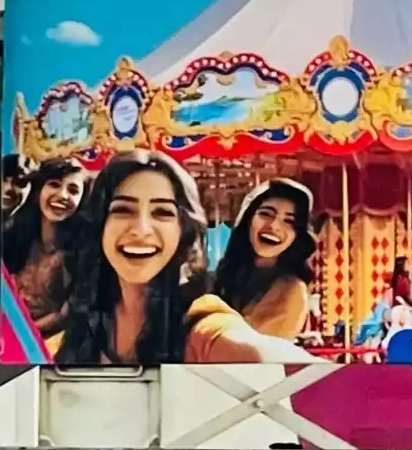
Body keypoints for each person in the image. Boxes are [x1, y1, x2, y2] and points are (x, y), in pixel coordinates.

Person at [50, 151, 297, 367]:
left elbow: (267, 355)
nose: (141, 230)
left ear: (183, 231)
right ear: (99, 225)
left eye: (162, 212)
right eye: (123, 210)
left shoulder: (200, 322)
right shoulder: (90, 314)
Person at [213, 180, 316, 342]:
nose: (274, 226)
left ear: (297, 235)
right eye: (266, 214)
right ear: (249, 219)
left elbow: (250, 346)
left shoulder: (291, 290)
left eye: (289, 221)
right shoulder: (224, 276)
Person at [0, 156, 84, 334]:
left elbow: (64, 315)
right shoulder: (15, 234)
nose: (62, 195)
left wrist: (21, 335)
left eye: (73, 190)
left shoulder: (83, 251)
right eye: (54, 184)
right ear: (38, 192)